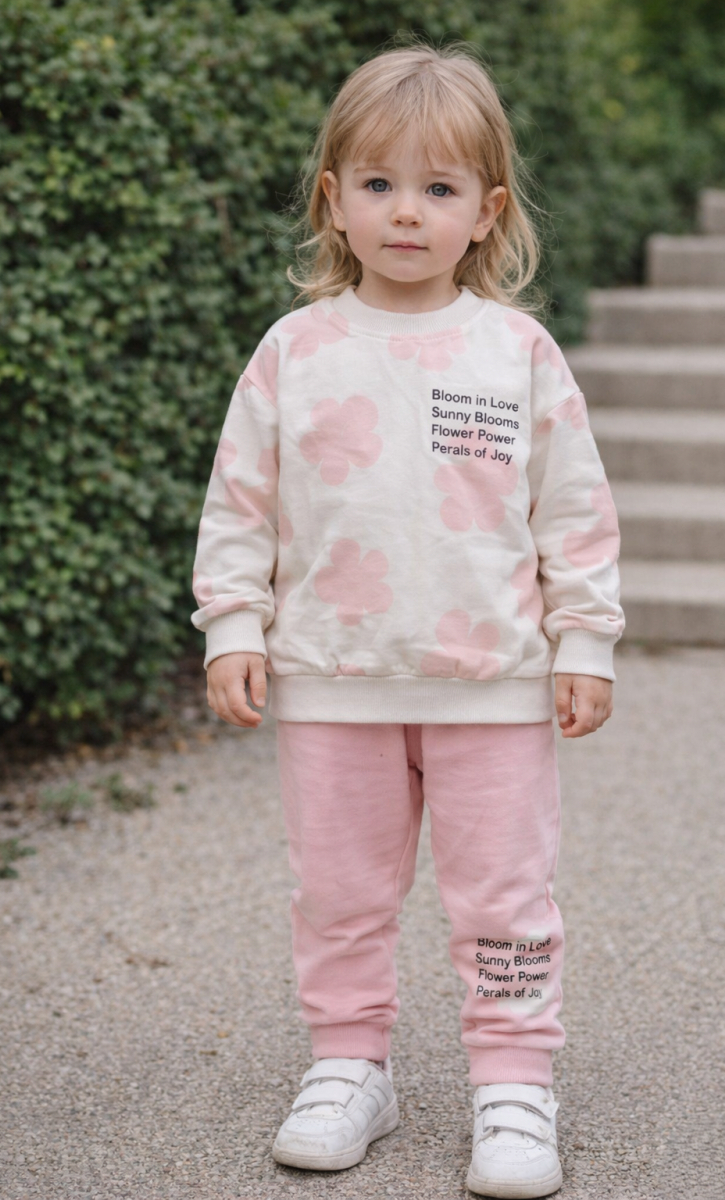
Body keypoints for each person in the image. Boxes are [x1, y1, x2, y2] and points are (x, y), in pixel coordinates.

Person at [190, 37, 624, 1200]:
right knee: (337, 893)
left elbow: (572, 507)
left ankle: (513, 1083)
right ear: (333, 200)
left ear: (486, 212)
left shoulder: (514, 352)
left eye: (437, 188)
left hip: (492, 685)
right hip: (333, 678)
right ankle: (348, 1067)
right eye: (378, 184)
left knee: (504, 900)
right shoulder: (294, 351)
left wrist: (583, 639)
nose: (404, 212)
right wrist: (233, 624)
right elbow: (239, 501)